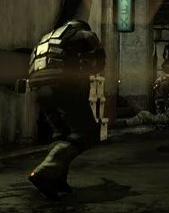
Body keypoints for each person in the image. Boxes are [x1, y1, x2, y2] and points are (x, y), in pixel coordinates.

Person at [19, 20, 106, 200]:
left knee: (62, 134)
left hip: (39, 90)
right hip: (63, 85)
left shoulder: (47, 37)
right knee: (88, 132)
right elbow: (99, 60)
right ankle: (46, 170)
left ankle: (58, 180)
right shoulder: (81, 34)